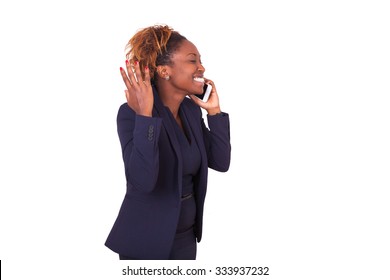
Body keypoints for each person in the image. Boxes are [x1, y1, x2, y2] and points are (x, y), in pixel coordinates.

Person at [105, 24, 231, 260]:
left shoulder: (190, 111)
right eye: (192, 60)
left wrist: (214, 114)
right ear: (164, 71)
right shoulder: (131, 114)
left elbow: (221, 162)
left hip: (186, 237)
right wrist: (145, 116)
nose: (201, 67)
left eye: (200, 60)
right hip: (146, 239)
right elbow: (143, 181)